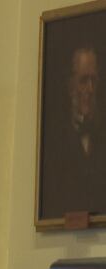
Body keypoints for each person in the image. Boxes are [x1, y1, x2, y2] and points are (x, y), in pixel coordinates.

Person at [40, 46, 106, 219]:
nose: (90, 89)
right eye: (84, 80)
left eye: (94, 80)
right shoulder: (53, 139)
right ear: (70, 85)